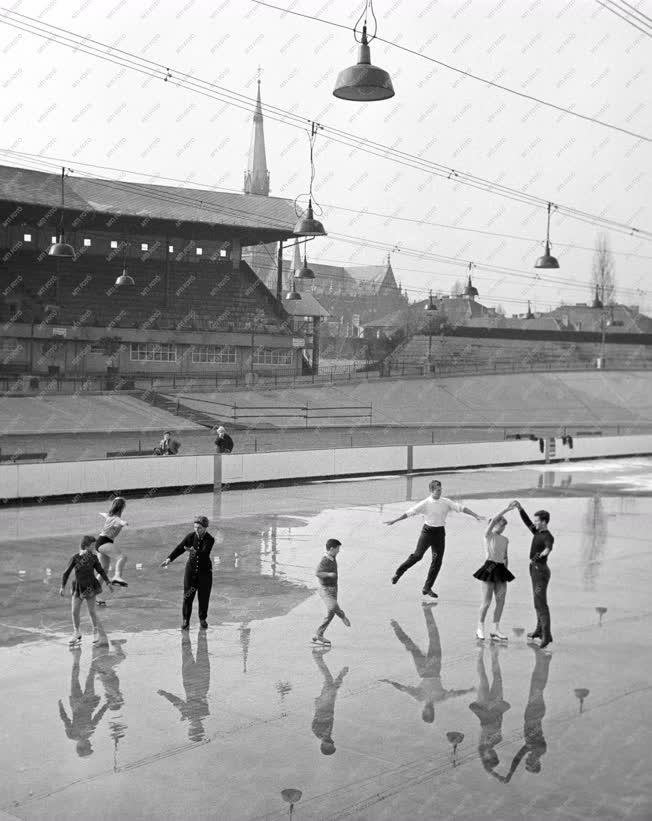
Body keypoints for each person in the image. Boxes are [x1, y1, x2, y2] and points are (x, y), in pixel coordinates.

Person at [385, 479, 483, 599]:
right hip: (427, 532)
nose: (439, 492)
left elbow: (461, 508)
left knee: (437, 561)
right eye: (437, 490)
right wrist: (395, 520)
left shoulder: (446, 502)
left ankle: (427, 587)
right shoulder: (425, 503)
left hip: (439, 534)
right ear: (431, 490)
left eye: (440, 489)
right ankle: (399, 573)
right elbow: (410, 512)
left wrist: (476, 515)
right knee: (417, 556)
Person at [381, 608, 473, 723]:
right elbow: (455, 694)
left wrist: (391, 682)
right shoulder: (436, 698)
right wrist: (468, 690)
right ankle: (420, 613)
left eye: (425, 711)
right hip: (430, 669)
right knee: (424, 642)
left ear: (424, 710)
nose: (427, 709)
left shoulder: (421, 697)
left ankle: (399, 625)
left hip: (427, 670)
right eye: (429, 711)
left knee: (422, 642)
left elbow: (404, 689)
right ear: (432, 711)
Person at [161, 515, 215, 630]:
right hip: (191, 572)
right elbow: (180, 548)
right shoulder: (191, 536)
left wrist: (194, 551)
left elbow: (205, 554)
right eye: (195, 527)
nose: (196, 530)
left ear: (205, 528)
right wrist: (169, 559)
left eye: (199, 528)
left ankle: (202, 619)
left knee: (203, 597)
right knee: (187, 597)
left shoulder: (210, 539)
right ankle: (186, 620)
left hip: (205, 573)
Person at [473, 502, 518, 641]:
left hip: (501, 569)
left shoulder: (505, 540)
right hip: (489, 567)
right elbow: (493, 520)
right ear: (496, 524)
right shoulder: (488, 534)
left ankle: (495, 630)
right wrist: (507, 509)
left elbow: (505, 556)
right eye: (502, 525)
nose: (503, 529)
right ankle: (480, 628)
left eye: (504, 527)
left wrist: (505, 571)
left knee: (501, 600)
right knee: (487, 601)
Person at [513, 501, 554, 648]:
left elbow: (548, 548)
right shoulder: (537, 532)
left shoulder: (548, 536)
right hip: (534, 569)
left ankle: (547, 635)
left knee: (541, 603)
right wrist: (520, 509)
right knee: (537, 602)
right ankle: (539, 630)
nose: (534, 523)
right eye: (535, 521)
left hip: (541, 570)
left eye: (537, 521)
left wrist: (542, 554)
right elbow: (527, 522)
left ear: (544, 522)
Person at [60, 535, 114, 647]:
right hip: (77, 587)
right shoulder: (75, 558)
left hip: (90, 587)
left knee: (92, 612)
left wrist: (108, 582)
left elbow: (101, 570)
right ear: (86, 546)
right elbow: (66, 573)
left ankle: (95, 632)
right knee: (74, 611)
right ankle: (76, 632)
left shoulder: (94, 558)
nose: (95, 548)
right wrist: (62, 586)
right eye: (93, 546)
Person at [158, 630, 211, 742]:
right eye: (197, 727)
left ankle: (191, 632)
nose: (195, 725)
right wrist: (165, 694)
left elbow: (176, 702)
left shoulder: (203, 712)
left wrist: (165, 694)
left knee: (195, 652)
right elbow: (176, 702)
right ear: (201, 727)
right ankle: (195, 631)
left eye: (193, 728)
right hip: (198, 680)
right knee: (197, 652)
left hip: (196, 680)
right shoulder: (193, 713)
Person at [469, 643, 511, 779]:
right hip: (497, 706)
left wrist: (497, 776)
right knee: (498, 678)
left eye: (489, 757)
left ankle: (480, 654)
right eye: (494, 755)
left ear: (485, 757)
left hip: (483, 707)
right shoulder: (498, 740)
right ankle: (494, 655)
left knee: (483, 678)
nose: (492, 754)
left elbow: (487, 768)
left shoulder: (482, 746)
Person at [58, 649, 108, 757]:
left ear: (82, 746)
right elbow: (97, 717)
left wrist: (61, 707)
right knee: (89, 678)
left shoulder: (72, 735)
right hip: (87, 701)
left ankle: (77, 657)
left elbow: (65, 720)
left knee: (76, 678)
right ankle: (93, 657)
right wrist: (106, 705)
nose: (90, 744)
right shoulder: (89, 733)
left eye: (89, 746)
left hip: (78, 702)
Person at [312, 538, 351, 647]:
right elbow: (318, 573)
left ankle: (318, 634)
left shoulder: (333, 557)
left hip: (334, 588)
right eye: (337, 549)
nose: (339, 551)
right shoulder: (325, 560)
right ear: (332, 549)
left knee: (330, 613)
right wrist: (329, 575)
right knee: (333, 606)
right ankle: (343, 616)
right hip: (325, 589)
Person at [311, 648, 349, 755]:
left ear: (324, 745)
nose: (332, 744)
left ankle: (317, 656)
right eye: (333, 745)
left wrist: (324, 733)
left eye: (330, 746)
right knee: (332, 684)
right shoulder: (327, 734)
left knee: (329, 680)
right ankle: (319, 657)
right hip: (328, 705)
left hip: (324, 705)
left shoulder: (319, 733)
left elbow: (317, 720)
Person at [96, 497, 129, 604]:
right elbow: (120, 522)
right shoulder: (116, 519)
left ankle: (92, 594)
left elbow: (106, 515)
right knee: (122, 557)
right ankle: (117, 576)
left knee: (104, 570)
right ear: (122, 507)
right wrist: (124, 523)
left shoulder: (110, 516)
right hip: (104, 542)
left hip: (100, 542)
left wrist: (103, 514)